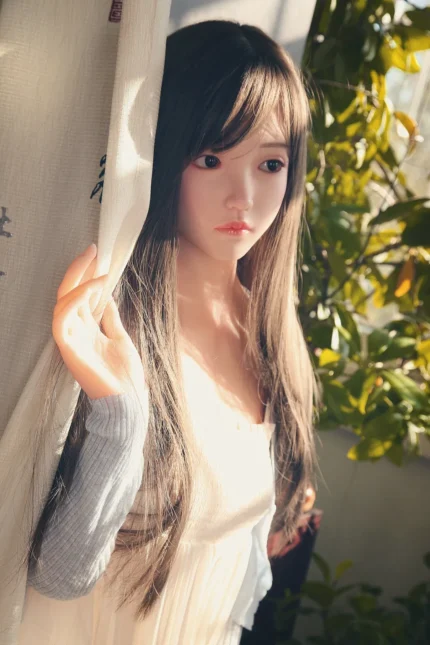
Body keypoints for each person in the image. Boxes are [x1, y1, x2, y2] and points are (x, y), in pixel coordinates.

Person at [19, 19, 320, 645]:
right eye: (210, 159)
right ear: (162, 152)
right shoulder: (113, 320)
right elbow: (60, 574)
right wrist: (121, 419)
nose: (243, 197)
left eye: (270, 164)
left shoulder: (269, 331)